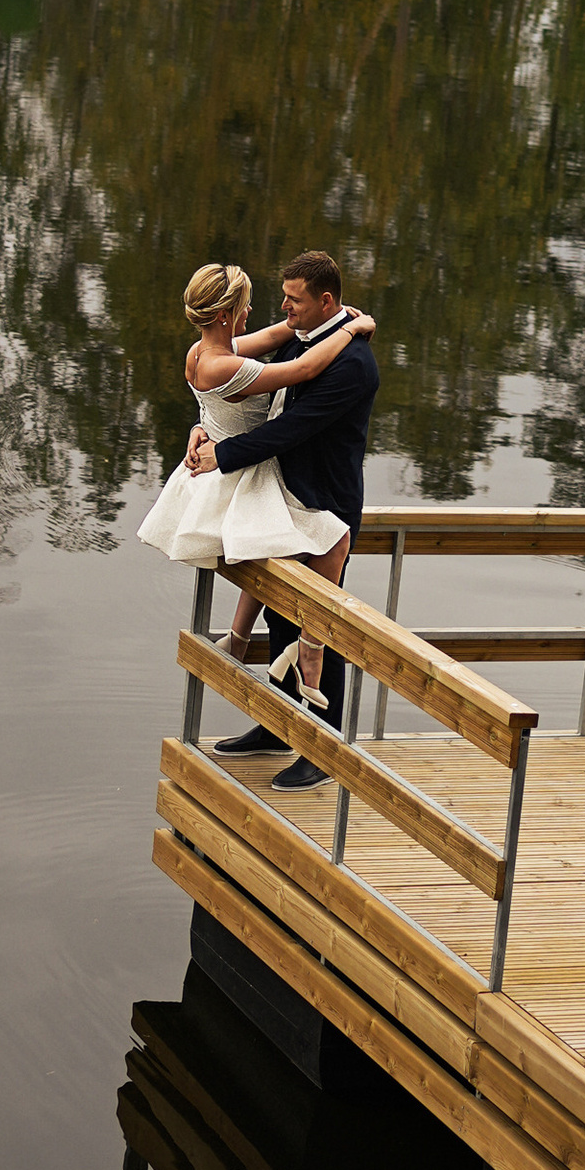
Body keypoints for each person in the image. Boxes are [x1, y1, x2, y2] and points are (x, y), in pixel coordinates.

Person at [183, 249, 380, 792]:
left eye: (293, 300)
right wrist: (207, 431)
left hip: (325, 503)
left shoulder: (353, 364)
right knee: (279, 613)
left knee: (320, 623)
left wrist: (219, 456)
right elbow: (234, 385)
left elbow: (290, 429)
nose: (284, 308)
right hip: (283, 494)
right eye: (283, 298)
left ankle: (323, 748)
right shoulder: (303, 333)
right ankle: (277, 726)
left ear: (326, 301)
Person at [135, 265, 377, 693]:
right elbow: (300, 371)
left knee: (320, 587)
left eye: (292, 299)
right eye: (247, 304)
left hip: (313, 489)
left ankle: (311, 706)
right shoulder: (229, 360)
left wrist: (204, 428)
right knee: (283, 589)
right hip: (250, 477)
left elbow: (276, 353)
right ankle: (273, 712)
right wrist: (354, 326)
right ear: (228, 313)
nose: (277, 309)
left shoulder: (205, 351)